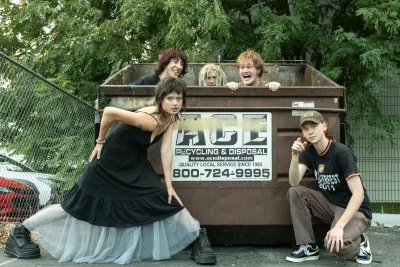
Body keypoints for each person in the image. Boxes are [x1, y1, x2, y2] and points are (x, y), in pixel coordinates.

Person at [4, 77, 217, 265]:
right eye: (170, 98)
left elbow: (166, 149)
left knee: (164, 198)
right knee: (73, 207)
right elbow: (109, 112)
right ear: (160, 98)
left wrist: (169, 186)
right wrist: (100, 141)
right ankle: (21, 230)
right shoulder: (148, 119)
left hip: (134, 164)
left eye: (179, 99)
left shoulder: (170, 118)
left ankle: (198, 237)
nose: (175, 103)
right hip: (107, 165)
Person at [285, 110, 372, 264]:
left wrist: (339, 226)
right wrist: (294, 156)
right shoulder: (309, 152)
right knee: (295, 192)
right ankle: (308, 246)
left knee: (335, 247)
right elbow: (294, 181)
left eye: (314, 126)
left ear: (324, 126)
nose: (310, 132)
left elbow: (358, 194)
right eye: (306, 129)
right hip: (331, 205)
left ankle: (360, 242)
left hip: (355, 211)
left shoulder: (341, 152)